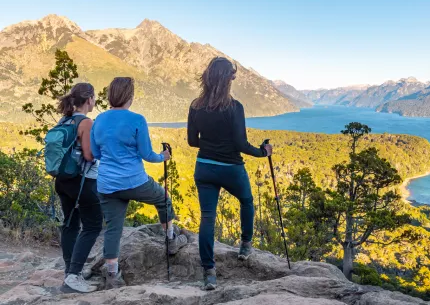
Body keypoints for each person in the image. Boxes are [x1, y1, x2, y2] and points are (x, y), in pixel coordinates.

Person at [90, 77, 187, 289]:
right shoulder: (137, 120)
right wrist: (164, 156)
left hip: (107, 184)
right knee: (163, 199)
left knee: (114, 228)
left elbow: (95, 153)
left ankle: (113, 275)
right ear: (130, 97)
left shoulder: (99, 120)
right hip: (134, 181)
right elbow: (146, 154)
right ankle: (171, 240)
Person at [187, 57, 273, 290]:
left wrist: (210, 142)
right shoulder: (235, 107)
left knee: (207, 217)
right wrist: (262, 152)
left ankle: (209, 273)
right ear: (227, 80)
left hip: (204, 167)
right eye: (233, 77)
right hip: (231, 168)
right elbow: (240, 143)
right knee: (246, 201)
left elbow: (192, 141)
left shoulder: (195, 106)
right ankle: (245, 245)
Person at [55, 83, 102, 293]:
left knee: (70, 224)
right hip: (83, 182)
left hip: (63, 181)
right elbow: (89, 155)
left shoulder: (64, 119)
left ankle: (69, 271)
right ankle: (74, 276)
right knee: (92, 226)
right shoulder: (86, 122)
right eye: (94, 98)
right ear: (89, 99)